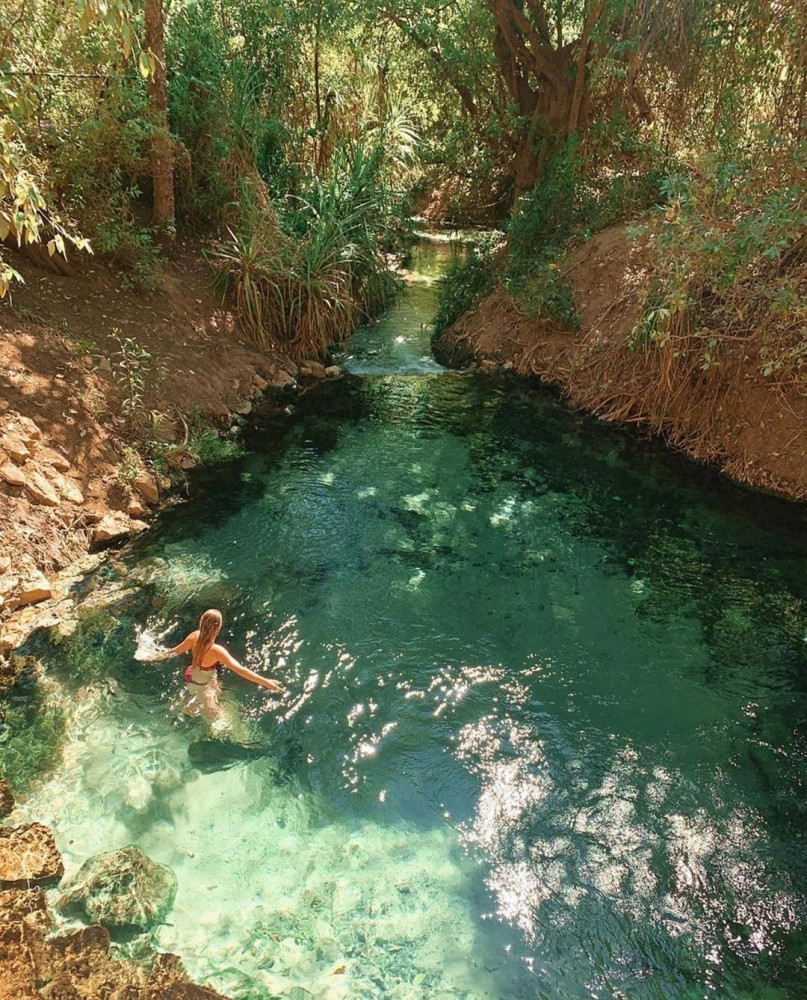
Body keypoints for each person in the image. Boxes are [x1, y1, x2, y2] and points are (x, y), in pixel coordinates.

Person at [145, 609, 282, 721]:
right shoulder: (217, 651)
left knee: (216, 694)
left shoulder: (194, 636)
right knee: (219, 721)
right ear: (218, 628)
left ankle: (188, 706)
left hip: (192, 675)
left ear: (201, 623)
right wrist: (267, 683)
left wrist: (153, 657)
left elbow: (174, 652)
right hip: (202, 685)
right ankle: (181, 709)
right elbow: (241, 670)